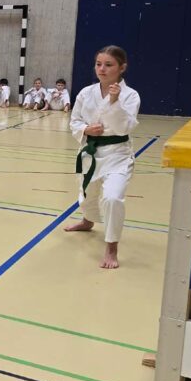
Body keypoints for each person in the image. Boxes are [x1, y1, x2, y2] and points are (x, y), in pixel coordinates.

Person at [64, 45, 141, 269]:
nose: (102, 69)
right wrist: (86, 129)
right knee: (87, 194)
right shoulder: (86, 93)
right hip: (90, 151)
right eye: (99, 64)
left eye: (109, 65)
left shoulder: (130, 95)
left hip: (117, 154)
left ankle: (111, 246)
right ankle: (87, 221)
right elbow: (74, 122)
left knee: (112, 197)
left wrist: (115, 102)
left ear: (122, 67)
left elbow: (125, 126)